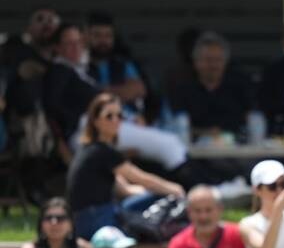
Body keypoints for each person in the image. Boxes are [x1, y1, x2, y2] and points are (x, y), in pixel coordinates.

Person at [43, 23, 190, 174]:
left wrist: (128, 117)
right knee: (169, 144)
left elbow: (139, 90)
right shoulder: (59, 71)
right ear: (57, 48)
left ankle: (192, 188)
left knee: (169, 145)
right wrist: (61, 142)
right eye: (69, 43)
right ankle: (196, 190)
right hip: (89, 133)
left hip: (108, 128)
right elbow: (52, 109)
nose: (75, 48)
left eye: (79, 42)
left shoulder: (82, 71)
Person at [67, 93, 184, 239]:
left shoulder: (89, 149)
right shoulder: (102, 151)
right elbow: (141, 178)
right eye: (109, 116)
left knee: (156, 197)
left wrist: (152, 195)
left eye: (119, 116)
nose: (116, 120)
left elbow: (124, 190)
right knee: (164, 203)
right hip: (98, 219)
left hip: (86, 220)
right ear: (95, 121)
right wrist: (174, 190)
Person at [169, 30, 255, 140]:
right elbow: (176, 127)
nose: (213, 65)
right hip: (195, 152)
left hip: (237, 150)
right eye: (208, 60)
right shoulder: (182, 90)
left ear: (225, 62)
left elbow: (253, 120)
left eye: (218, 60)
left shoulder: (240, 86)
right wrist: (205, 133)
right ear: (196, 62)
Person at [84, 11, 148, 118]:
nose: (103, 41)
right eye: (97, 35)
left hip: (125, 119)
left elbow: (139, 89)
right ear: (86, 37)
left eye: (108, 36)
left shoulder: (122, 63)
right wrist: (120, 92)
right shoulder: (80, 63)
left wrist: (101, 92)